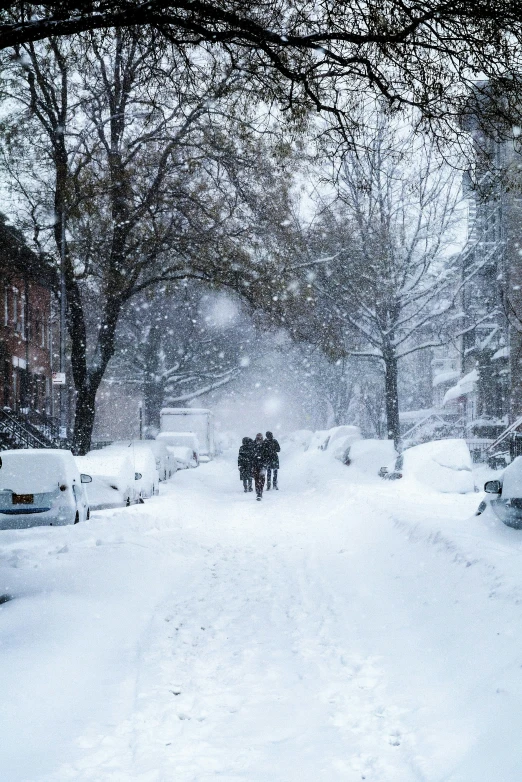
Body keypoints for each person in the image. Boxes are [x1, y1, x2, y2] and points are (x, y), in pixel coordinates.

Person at [252, 432, 268, 500]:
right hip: (256, 464)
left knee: (261, 479)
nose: (259, 438)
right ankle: (258, 492)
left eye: (260, 437)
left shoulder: (264, 444)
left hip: (262, 464)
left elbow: (267, 454)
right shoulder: (253, 444)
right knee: (256, 478)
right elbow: (251, 454)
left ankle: (260, 491)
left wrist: (265, 461)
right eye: (258, 437)